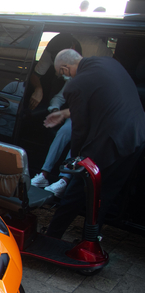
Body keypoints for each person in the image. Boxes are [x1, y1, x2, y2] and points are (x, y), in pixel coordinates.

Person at [44, 49, 145, 238]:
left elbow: (79, 130)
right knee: (106, 194)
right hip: (137, 137)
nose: (64, 77)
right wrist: (65, 113)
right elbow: (104, 100)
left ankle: (52, 236)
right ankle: (90, 239)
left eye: (62, 73)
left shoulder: (76, 85)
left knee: (76, 190)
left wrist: (75, 162)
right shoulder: (109, 63)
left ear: (65, 68)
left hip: (111, 141)